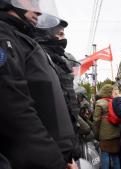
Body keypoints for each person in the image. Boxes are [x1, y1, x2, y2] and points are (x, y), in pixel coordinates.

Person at [0, 0, 77, 168]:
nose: (39, 11)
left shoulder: (21, 39)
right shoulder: (4, 37)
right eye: (32, 2)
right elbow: (14, 112)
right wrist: (56, 163)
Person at [34, 19, 82, 161]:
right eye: (60, 34)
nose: (63, 38)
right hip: (53, 149)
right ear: (48, 34)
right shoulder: (40, 58)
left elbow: (69, 109)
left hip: (68, 144)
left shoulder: (62, 62)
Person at [93, 84, 121, 169]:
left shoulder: (99, 103)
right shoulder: (116, 102)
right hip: (116, 134)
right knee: (115, 156)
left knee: (105, 155)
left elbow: (96, 120)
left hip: (105, 135)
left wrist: (96, 134)